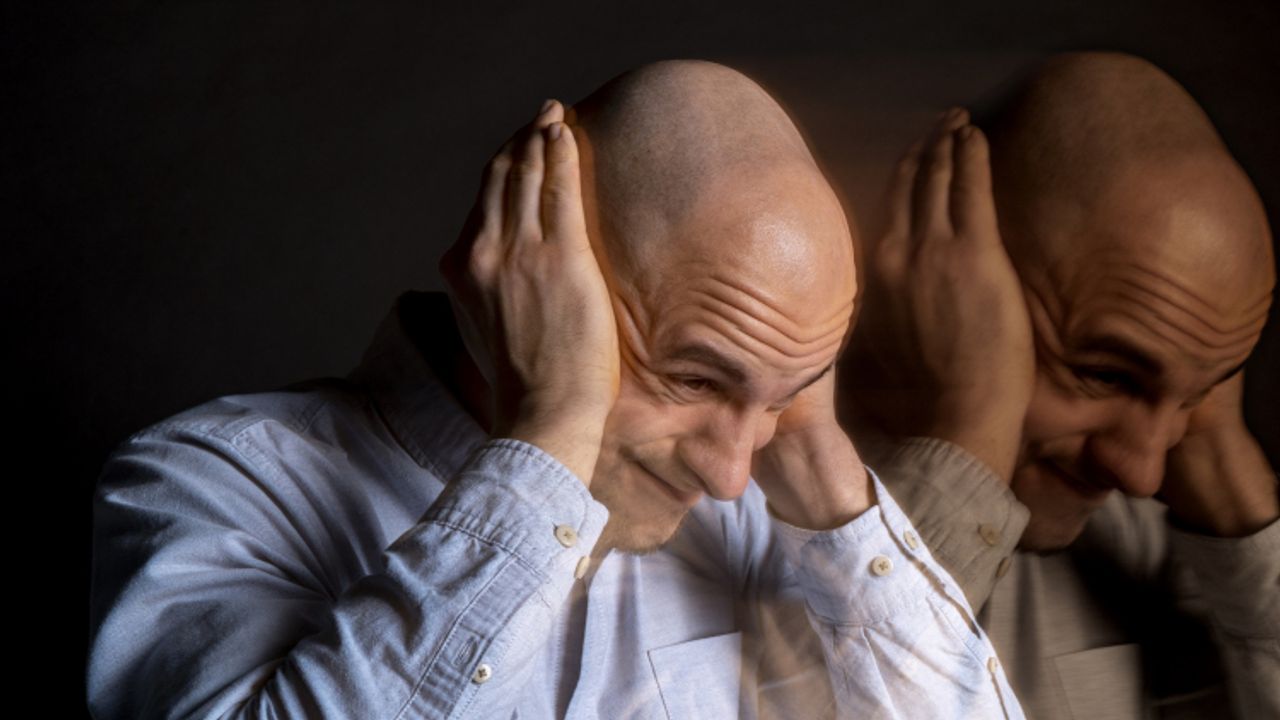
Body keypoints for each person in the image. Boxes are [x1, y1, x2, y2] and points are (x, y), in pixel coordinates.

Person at [87, 60, 1024, 719]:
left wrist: (820, 461)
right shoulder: (212, 483)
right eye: (695, 376)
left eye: (782, 397)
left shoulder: (761, 530)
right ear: (535, 275)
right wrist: (555, 434)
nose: (731, 474)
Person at [841, 51, 1278, 719]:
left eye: (1197, 396)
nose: (1141, 473)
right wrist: (971, 431)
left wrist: (1230, 483)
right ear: (951, 272)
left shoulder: (1147, 536)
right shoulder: (716, 506)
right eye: (1104, 374)